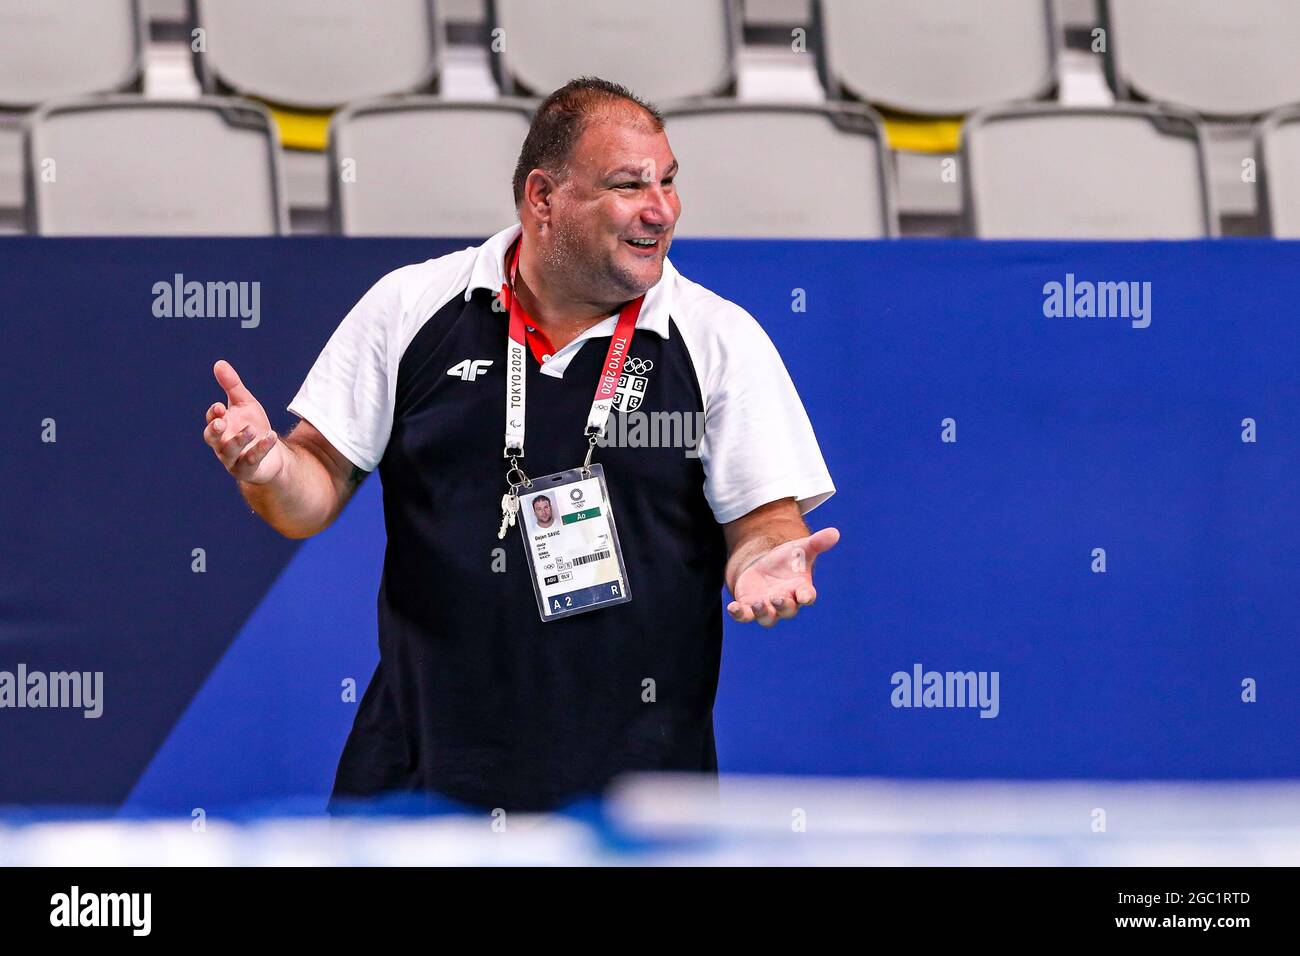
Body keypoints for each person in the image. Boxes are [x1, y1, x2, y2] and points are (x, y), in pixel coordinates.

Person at [202, 77, 839, 813]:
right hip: (417, 789)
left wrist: (767, 561)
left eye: (667, 182)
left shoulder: (720, 339)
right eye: (629, 185)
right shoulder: (412, 306)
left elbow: (764, 523)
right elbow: (308, 490)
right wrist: (271, 464)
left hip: (635, 805)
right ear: (543, 198)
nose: (661, 209)